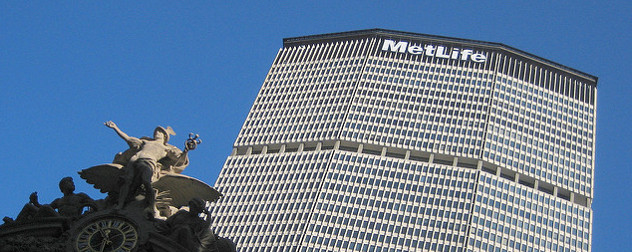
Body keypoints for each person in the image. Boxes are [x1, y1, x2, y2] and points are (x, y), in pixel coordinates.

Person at [104, 121, 189, 216]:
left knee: (147, 183)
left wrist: (186, 150)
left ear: (165, 136)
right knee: (127, 182)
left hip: (149, 162)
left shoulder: (166, 149)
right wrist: (115, 127)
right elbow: (128, 138)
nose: (156, 133)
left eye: (159, 132)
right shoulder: (145, 142)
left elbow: (179, 159)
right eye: (156, 131)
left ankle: (152, 207)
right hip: (134, 160)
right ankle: (120, 205)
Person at [5, 177, 94, 223]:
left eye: (73, 182)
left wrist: (88, 214)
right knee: (28, 206)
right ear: (62, 187)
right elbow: (43, 209)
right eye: (69, 182)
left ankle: (34, 223)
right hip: (58, 218)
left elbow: (94, 204)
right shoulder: (58, 200)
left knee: (46, 208)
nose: (73, 184)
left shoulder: (80, 196)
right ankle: (15, 223)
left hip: (69, 220)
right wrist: (35, 202)